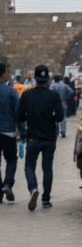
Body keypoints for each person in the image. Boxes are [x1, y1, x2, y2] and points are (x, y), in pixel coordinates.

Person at [17, 65, 64, 210]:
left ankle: (33, 189)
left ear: (35, 78)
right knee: (47, 169)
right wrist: (51, 116)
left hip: (33, 137)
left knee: (29, 166)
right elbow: (60, 117)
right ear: (47, 79)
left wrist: (29, 117)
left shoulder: (26, 95)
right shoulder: (54, 96)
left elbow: (19, 116)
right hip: (49, 137)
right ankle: (46, 200)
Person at [0, 63, 26, 203]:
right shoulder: (11, 92)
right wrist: (23, 132)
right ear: (3, 75)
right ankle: (7, 184)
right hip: (8, 132)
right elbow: (18, 114)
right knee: (11, 159)